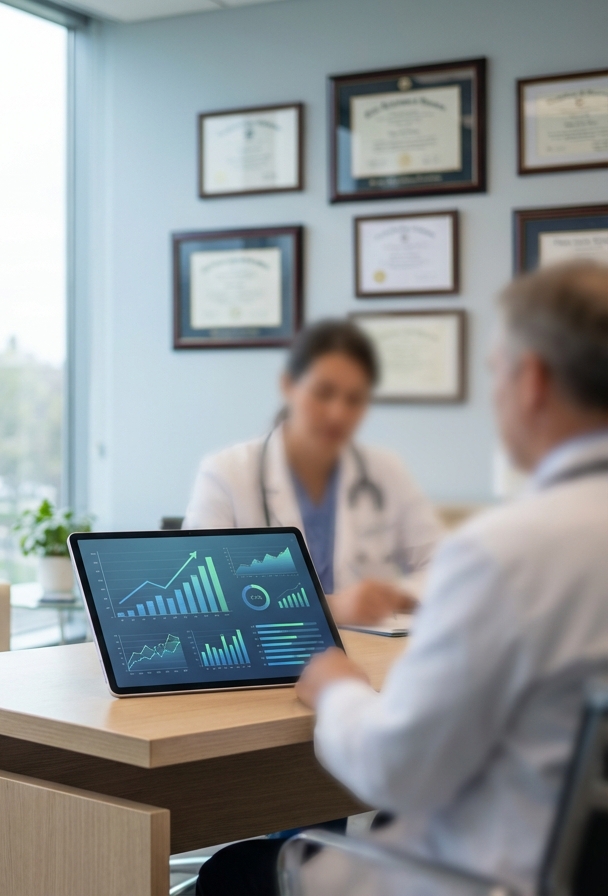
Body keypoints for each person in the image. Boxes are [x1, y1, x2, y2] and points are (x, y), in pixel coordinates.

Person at [196, 260, 608, 896]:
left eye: (494, 371)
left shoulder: (512, 551)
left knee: (230, 877)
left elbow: (394, 769)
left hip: (488, 876)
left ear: (531, 381)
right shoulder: (229, 471)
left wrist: (335, 687)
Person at [183, 319, 442, 626]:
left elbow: (446, 567)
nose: (338, 413)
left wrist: (393, 597)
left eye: (354, 399)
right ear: (288, 385)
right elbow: (205, 597)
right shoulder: (226, 473)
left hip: (370, 655)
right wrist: (330, 608)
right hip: (268, 657)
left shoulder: (385, 471)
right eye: (324, 392)